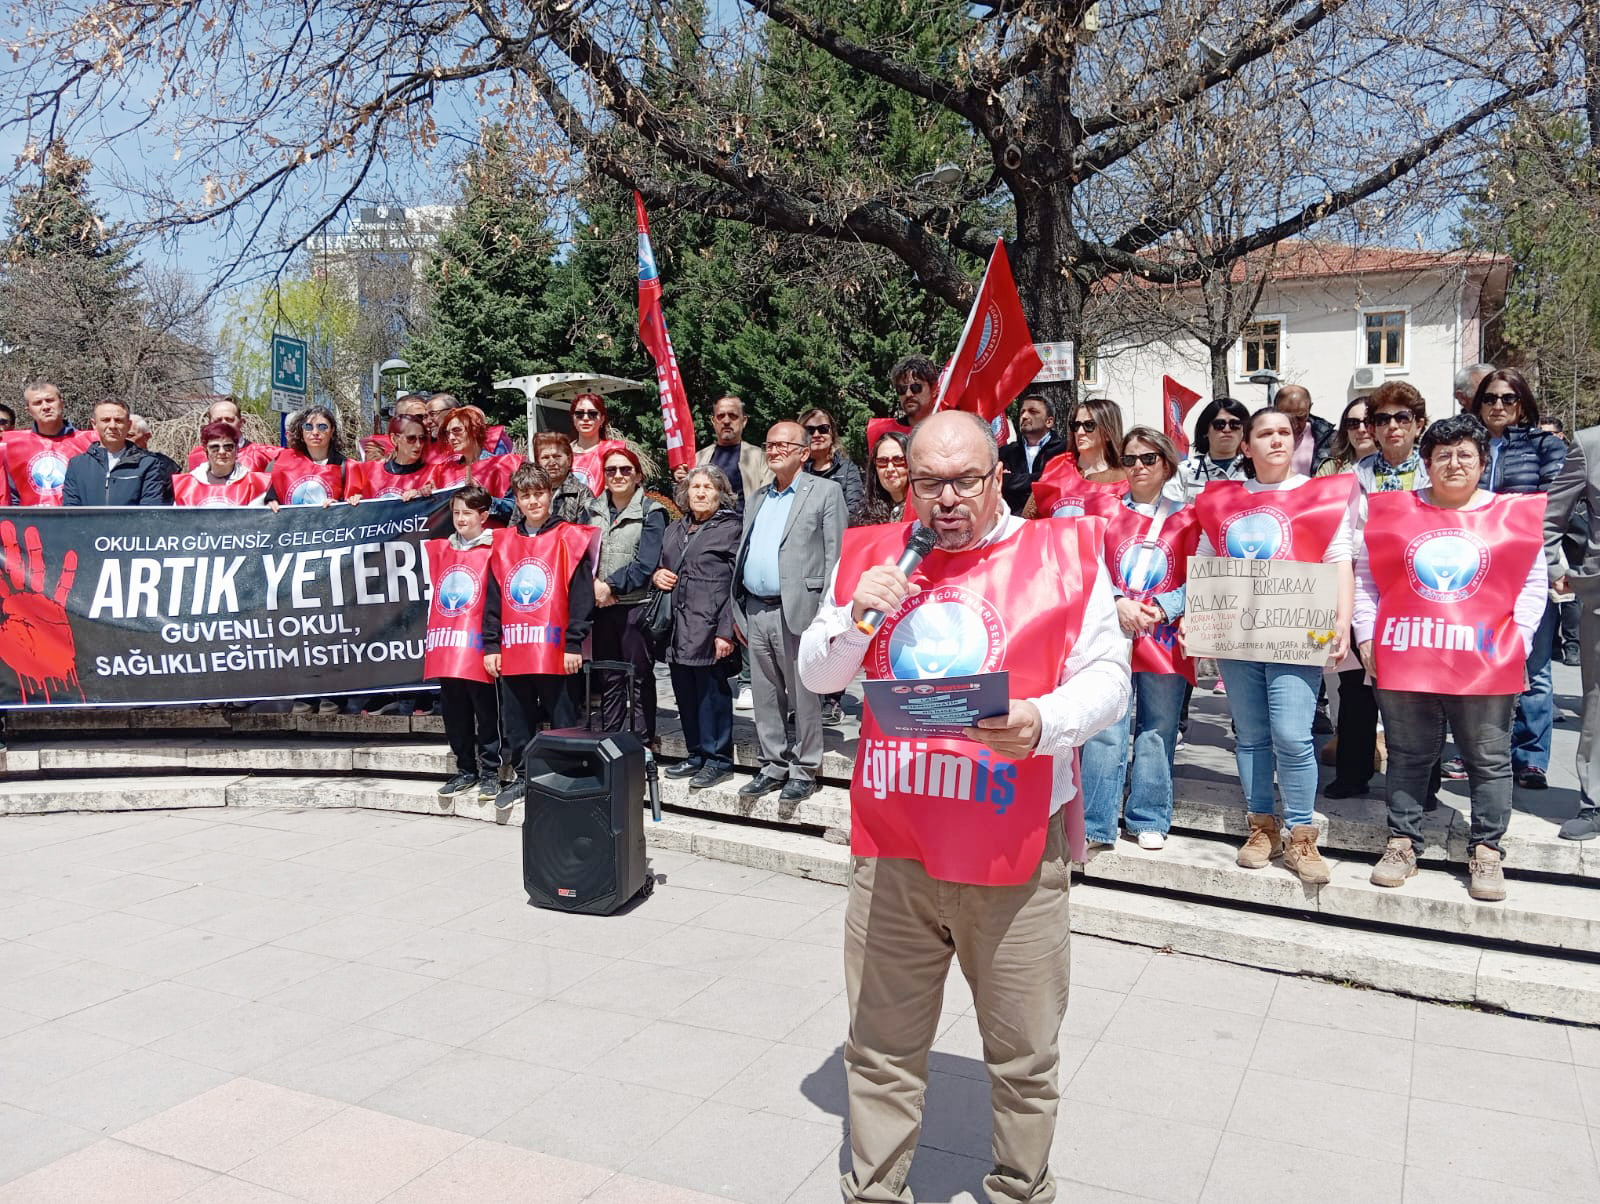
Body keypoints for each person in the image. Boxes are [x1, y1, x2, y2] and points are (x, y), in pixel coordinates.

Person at [798, 409, 1128, 1204]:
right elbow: (817, 675)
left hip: (1011, 849)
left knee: (1022, 1054)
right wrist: (852, 615)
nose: (946, 499)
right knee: (880, 1047)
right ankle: (875, 1189)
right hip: (894, 847)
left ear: (998, 474)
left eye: (965, 481)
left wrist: (1043, 723)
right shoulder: (872, 553)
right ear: (903, 481)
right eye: (927, 482)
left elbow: (1110, 677)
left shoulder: (1062, 553)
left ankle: (1019, 1187)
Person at [1357, 414, 1547, 901]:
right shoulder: (1393, 512)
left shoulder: (1512, 517)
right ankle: (1402, 842)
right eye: (1443, 455)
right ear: (1426, 463)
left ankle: (1486, 850)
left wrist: (1518, 641)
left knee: (1487, 757)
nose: (1454, 463)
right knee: (1408, 755)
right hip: (1406, 652)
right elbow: (1365, 578)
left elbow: (1531, 585)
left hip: (1485, 659)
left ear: (1484, 463)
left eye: (1466, 454)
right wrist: (1366, 636)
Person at [1192, 407, 1359, 882]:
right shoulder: (1221, 499)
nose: (1276, 440)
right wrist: (1197, 620)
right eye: (1264, 434)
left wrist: (1342, 621)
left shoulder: (1321, 496)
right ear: (1246, 446)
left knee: (1292, 734)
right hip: (1239, 634)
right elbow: (1206, 558)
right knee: (1250, 734)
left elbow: (1339, 560)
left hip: (1297, 632)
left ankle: (1302, 835)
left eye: (1284, 432)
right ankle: (1261, 825)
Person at [1081, 427, 1199, 851]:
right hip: (1111, 632)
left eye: (1148, 458)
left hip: (1162, 634)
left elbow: (1201, 574)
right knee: (1105, 726)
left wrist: (1165, 606)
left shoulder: (1189, 516)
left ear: (1166, 465)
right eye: (1130, 458)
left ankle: (1148, 815)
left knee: (1158, 728)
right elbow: (1088, 566)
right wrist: (1116, 600)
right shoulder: (1102, 513)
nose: (1137, 467)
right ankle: (1095, 821)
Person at [733, 420, 846, 802]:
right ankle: (772, 765)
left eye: (785, 444)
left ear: (803, 452)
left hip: (800, 609)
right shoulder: (758, 498)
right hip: (756, 608)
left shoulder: (825, 492)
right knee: (764, 695)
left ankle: (805, 766)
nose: (775, 449)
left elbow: (836, 556)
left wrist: (829, 614)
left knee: (803, 695)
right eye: (770, 444)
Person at [1470, 367, 1570, 790]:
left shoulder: (1545, 445)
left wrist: (1553, 565)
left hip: (1526, 567)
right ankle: (1475, 752)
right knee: (1475, 659)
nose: (1498, 406)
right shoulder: (1464, 444)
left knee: (1535, 666)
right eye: (1490, 398)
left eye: (1507, 399)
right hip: (1472, 570)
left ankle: (1529, 757)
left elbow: (1555, 505)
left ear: (1522, 403)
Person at [482, 462, 595, 781]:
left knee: (563, 717)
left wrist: (574, 642)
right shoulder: (503, 542)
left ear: (551, 494)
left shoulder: (569, 536)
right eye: (525, 495)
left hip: (556, 650)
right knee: (516, 720)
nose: (533, 501)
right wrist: (491, 645)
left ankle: (567, 777)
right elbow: (493, 598)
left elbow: (581, 595)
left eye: (539, 493)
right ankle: (521, 775)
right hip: (515, 648)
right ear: (516, 500)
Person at [654, 465, 742, 789]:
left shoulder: (731, 528)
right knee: (685, 694)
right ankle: (695, 754)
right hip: (678, 627)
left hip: (710, 626)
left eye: (708, 487)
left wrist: (726, 630)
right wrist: (656, 576)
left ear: (720, 493)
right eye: (695, 487)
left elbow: (736, 583)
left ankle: (717, 759)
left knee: (712, 697)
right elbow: (661, 566)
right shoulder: (675, 529)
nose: (701, 493)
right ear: (685, 493)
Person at [425, 484, 502, 803]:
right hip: (448, 644)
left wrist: (493, 644)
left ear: (483, 516)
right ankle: (465, 769)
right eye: (456, 513)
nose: (460, 519)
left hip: (478, 646)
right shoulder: (444, 549)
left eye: (467, 513)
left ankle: (490, 772)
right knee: (454, 710)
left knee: (486, 711)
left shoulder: (495, 548)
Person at [1542, 421, 1600, 839]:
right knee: (1598, 703)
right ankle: (1595, 802)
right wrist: (1557, 570)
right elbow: (1549, 517)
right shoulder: (1589, 444)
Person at [588, 443, 668, 744]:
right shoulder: (591, 511)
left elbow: (646, 562)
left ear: (638, 476)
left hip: (635, 607)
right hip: (601, 607)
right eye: (611, 470)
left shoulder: (652, 512)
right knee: (609, 678)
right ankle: (610, 742)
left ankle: (642, 743)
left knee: (638, 678)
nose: (618, 475)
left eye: (625, 469)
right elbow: (582, 557)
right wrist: (596, 588)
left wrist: (611, 586)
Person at [62, 398, 173, 506]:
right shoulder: (77, 465)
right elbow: (71, 513)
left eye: (118, 420)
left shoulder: (147, 464)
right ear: (94, 424)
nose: (112, 426)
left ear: (128, 425)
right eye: (105, 420)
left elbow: (149, 512)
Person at [6, 381, 95, 505]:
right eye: (38, 403)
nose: (45, 407)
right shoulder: (12, 446)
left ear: (61, 403)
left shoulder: (89, 441)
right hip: (30, 521)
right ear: (29, 410)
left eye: (50, 400)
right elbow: (10, 495)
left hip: (76, 520)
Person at [694, 394, 770, 510]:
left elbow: (768, 499)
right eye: (721, 416)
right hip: (706, 526)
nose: (726, 421)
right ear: (713, 421)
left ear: (743, 421)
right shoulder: (699, 458)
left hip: (744, 525)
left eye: (733, 415)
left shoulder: (761, 458)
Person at [998, 393, 1068, 514]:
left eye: (1033, 411)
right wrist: (1042, 478)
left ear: (1049, 422)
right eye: (1022, 412)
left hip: (1053, 521)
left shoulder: (1065, 450)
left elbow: (1062, 485)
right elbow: (1000, 484)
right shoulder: (1005, 452)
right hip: (1015, 522)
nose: (1024, 416)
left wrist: (1015, 481)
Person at [433, 405, 521, 499]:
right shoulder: (444, 471)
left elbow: (514, 506)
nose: (451, 438)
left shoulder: (500, 466)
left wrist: (481, 497)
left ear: (474, 429)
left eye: (457, 430)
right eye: (448, 433)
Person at [173, 421, 271, 506]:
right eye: (214, 447)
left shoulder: (255, 483)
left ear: (236, 449)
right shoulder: (187, 485)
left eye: (228, 447)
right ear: (206, 450)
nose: (221, 452)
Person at [343, 414, 437, 501]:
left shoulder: (434, 473)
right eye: (411, 438)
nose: (418, 445)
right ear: (394, 439)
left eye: (422, 438)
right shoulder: (369, 472)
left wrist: (429, 495)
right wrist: (358, 500)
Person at [267, 405, 346, 507]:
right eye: (308, 427)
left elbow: (356, 505)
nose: (315, 432)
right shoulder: (284, 462)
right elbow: (270, 497)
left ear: (332, 430)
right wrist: (271, 503)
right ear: (301, 431)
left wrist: (340, 505)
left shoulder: (345, 466)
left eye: (322, 427)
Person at [800, 406, 866, 518]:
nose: (816, 435)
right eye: (809, 430)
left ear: (832, 434)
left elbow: (855, 509)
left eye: (823, 429)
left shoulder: (847, 468)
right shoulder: (798, 470)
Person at [184, 396, 280, 472]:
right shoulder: (197, 456)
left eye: (229, 419)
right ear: (210, 423)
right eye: (218, 420)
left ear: (241, 422)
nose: (224, 424)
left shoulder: (265, 454)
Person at [866, 353, 938, 451]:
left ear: (934, 389)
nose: (908, 394)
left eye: (916, 387)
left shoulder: (951, 427)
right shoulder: (883, 434)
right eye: (901, 389)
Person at [1182, 397, 1252, 492]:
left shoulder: (1255, 469)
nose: (1227, 429)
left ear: (1244, 430)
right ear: (1205, 430)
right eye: (1219, 424)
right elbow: (1170, 506)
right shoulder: (1184, 471)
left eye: (1234, 424)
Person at [532, 432, 593, 524]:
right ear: (537, 462)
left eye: (557, 456)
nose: (552, 462)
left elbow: (586, 533)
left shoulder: (582, 494)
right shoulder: (529, 492)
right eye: (545, 457)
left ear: (569, 460)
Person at [1274, 383, 1333, 475]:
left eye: (1300, 417)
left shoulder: (1329, 439)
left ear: (1309, 408)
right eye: (1287, 417)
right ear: (1275, 409)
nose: (1294, 424)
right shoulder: (1263, 437)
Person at [1068, 397, 1128, 485]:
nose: (1080, 432)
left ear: (1107, 433)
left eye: (1089, 425)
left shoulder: (1123, 479)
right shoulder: (1059, 471)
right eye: (1076, 425)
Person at [1315, 396, 1377, 477]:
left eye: (1368, 422)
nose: (1361, 429)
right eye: (1353, 423)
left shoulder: (1395, 464)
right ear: (1345, 430)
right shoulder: (1331, 469)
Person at [858, 431, 910, 524]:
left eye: (898, 459)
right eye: (882, 461)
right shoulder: (866, 515)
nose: (890, 469)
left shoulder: (924, 511)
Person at [359, 393, 429, 461]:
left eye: (426, 416)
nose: (426, 422)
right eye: (418, 417)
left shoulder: (435, 442)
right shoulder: (379, 447)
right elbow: (377, 468)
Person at [128, 414, 181, 481]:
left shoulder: (164, 465)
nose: (124, 440)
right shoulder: (114, 462)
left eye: (129, 436)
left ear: (146, 436)